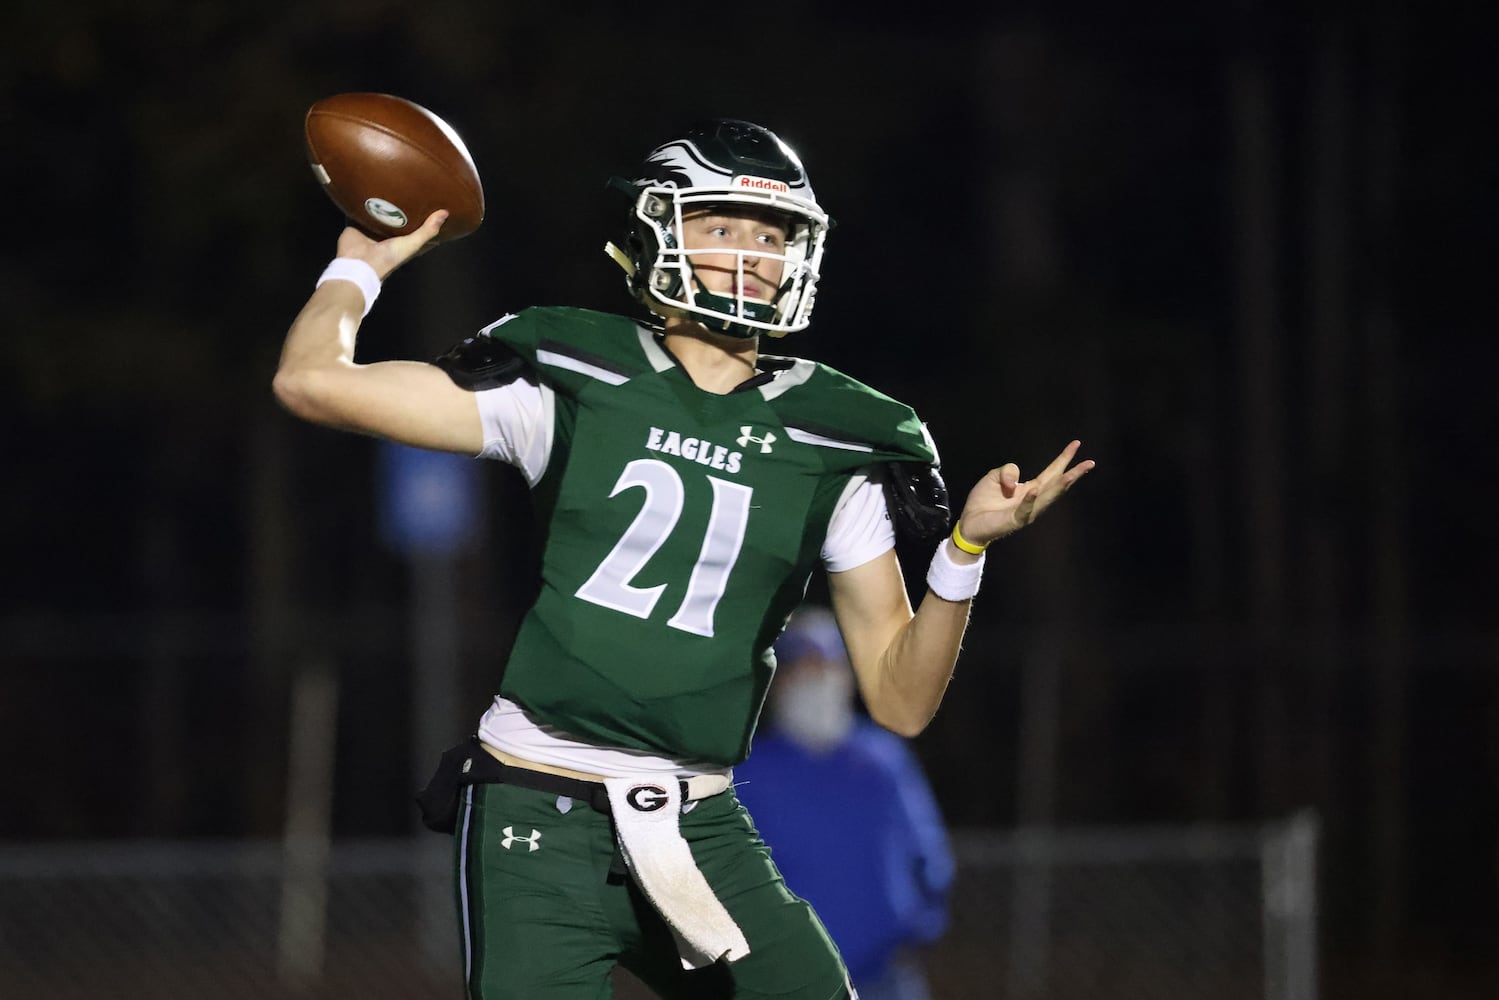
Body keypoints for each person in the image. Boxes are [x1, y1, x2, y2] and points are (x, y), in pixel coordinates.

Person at [273, 117, 1093, 999]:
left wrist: (965, 551)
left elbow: (897, 700)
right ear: (656, 231)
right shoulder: (574, 377)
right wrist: (362, 260)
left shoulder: (837, 433)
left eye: (770, 234)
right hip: (535, 815)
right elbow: (310, 382)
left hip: (698, 821)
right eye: (721, 226)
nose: (751, 253)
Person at [734, 605, 953, 1000]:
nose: (818, 681)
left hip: (883, 976)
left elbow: (928, 853)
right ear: (778, 683)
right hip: (785, 981)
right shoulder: (750, 772)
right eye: (804, 670)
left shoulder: (882, 759)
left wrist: (920, 925)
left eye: (828, 667)